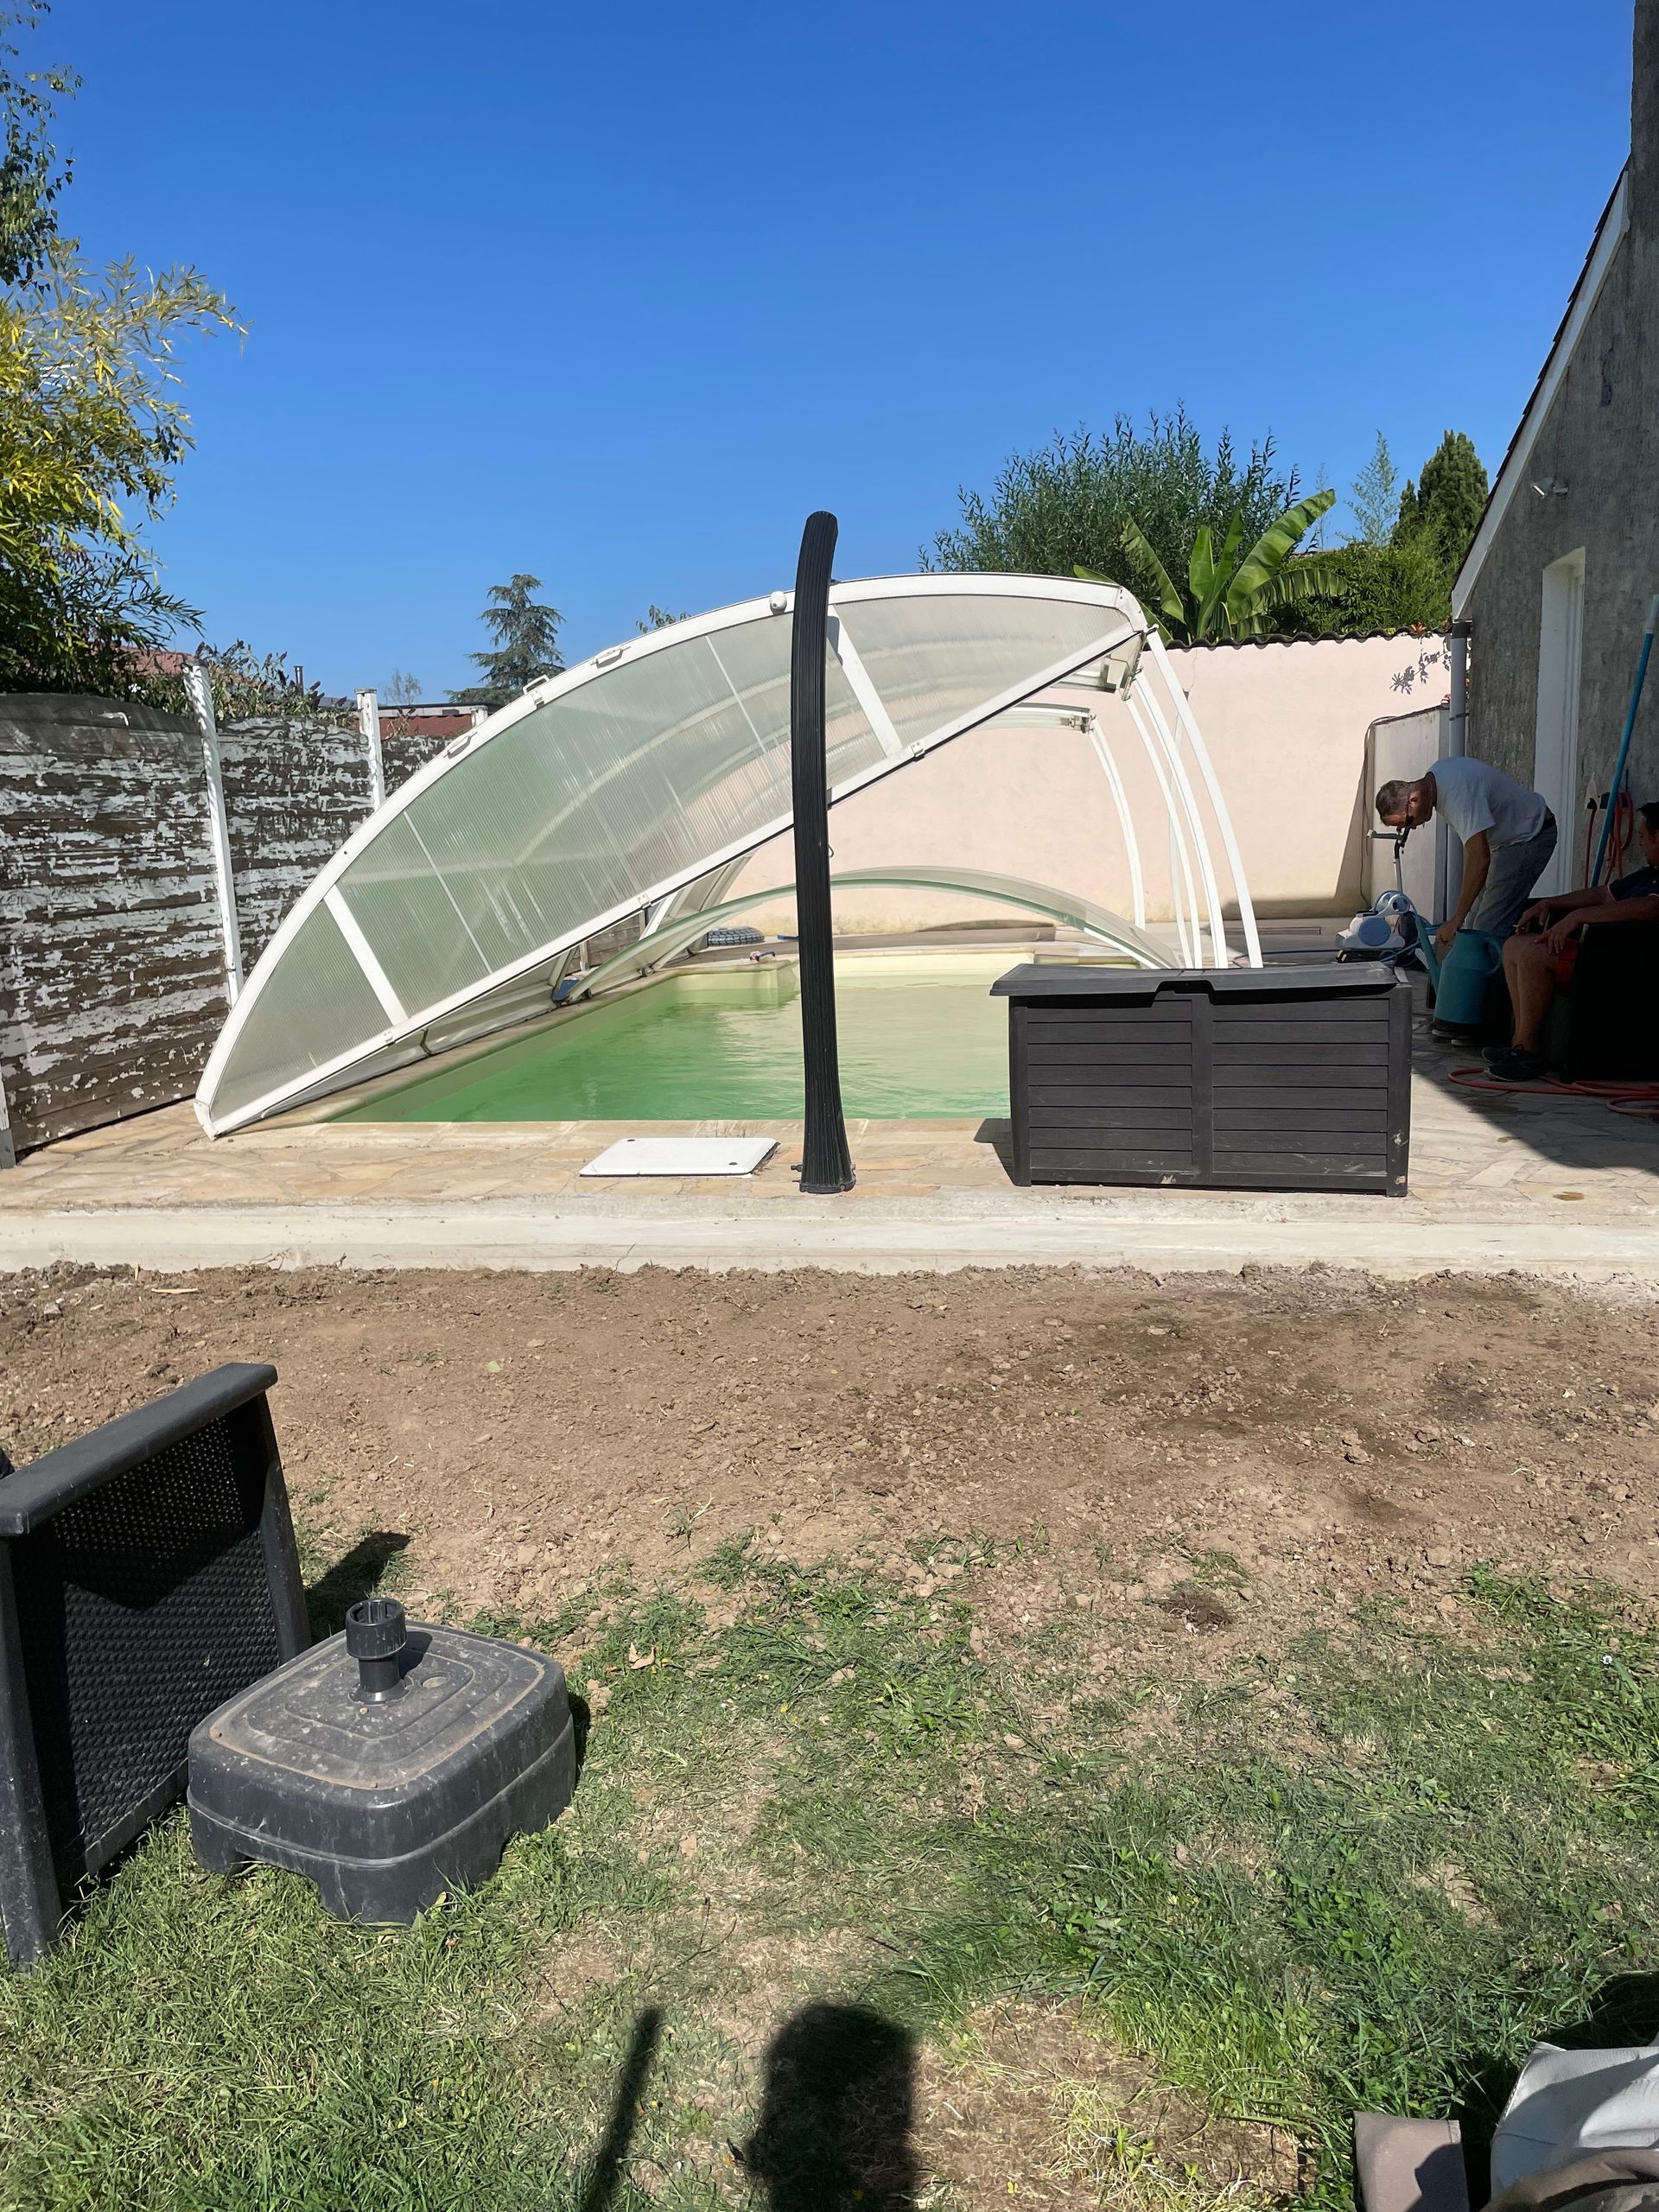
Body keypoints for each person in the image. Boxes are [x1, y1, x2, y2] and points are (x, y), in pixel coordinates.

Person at [1481, 798, 1659, 1079]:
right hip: (1601, 951)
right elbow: (1603, 894)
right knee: (1514, 945)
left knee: (1534, 953)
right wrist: (1552, 903)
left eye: (1643, 837)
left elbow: (1651, 907)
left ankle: (1529, 1053)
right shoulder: (1648, 875)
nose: (1640, 844)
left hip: (1625, 963)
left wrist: (1578, 917)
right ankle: (1519, 1042)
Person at [1376, 760, 1559, 954]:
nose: (1412, 827)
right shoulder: (1437, 776)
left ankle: (1502, 981)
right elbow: (1473, 851)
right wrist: (1461, 916)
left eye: (1408, 822)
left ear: (1413, 800)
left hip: (1530, 835)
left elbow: (1480, 859)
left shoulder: (1456, 796)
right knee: (1472, 926)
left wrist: (1456, 920)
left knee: (1487, 931)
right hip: (1507, 843)